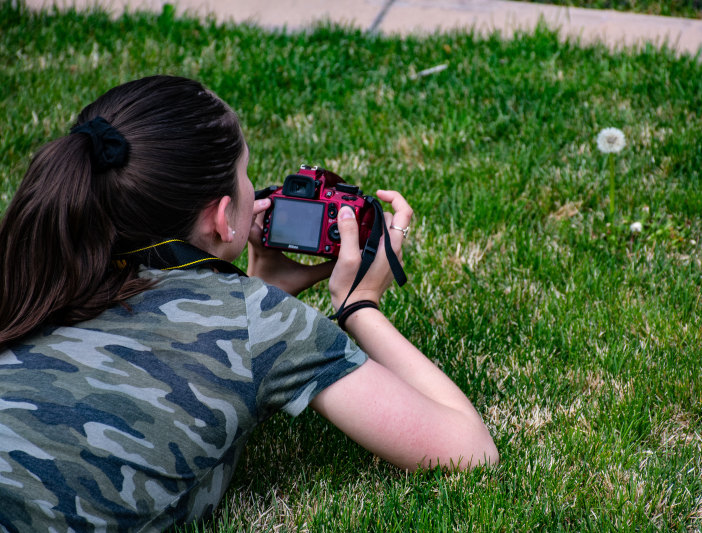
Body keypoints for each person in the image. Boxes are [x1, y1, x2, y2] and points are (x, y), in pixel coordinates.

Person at [0, 75, 498, 532]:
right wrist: (358, 304)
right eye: (245, 173)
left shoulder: (39, 267)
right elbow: (467, 453)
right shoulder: (256, 321)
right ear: (222, 217)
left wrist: (260, 289)